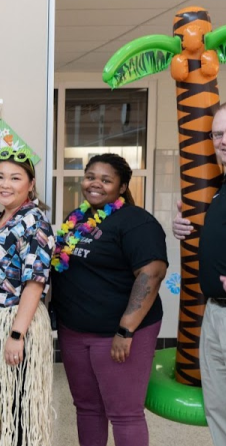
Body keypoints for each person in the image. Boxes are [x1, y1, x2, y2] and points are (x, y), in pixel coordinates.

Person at [52, 153, 167, 446]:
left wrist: (125, 330)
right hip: (75, 331)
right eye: (91, 176)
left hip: (119, 333)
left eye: (106, 179)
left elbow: (151, 274)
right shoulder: (77, 219)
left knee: (124, 413)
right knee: (88, 408)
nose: (96, 184)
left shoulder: (136, 222)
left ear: (122, 185)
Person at [0, 147, 54, 446]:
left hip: (16, 323)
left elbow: (35, 282)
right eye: (0, 177)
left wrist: (17, 334)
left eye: (15, 178)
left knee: (18, 408)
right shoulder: (0, 218)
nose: (5, 184)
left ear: (30, 184)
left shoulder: (34, 222)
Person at [173, 103, 226, 445]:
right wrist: (185, 227)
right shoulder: (219, 187)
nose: (223, 140)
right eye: (218, 134)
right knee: (219, 409)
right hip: (215, 312)